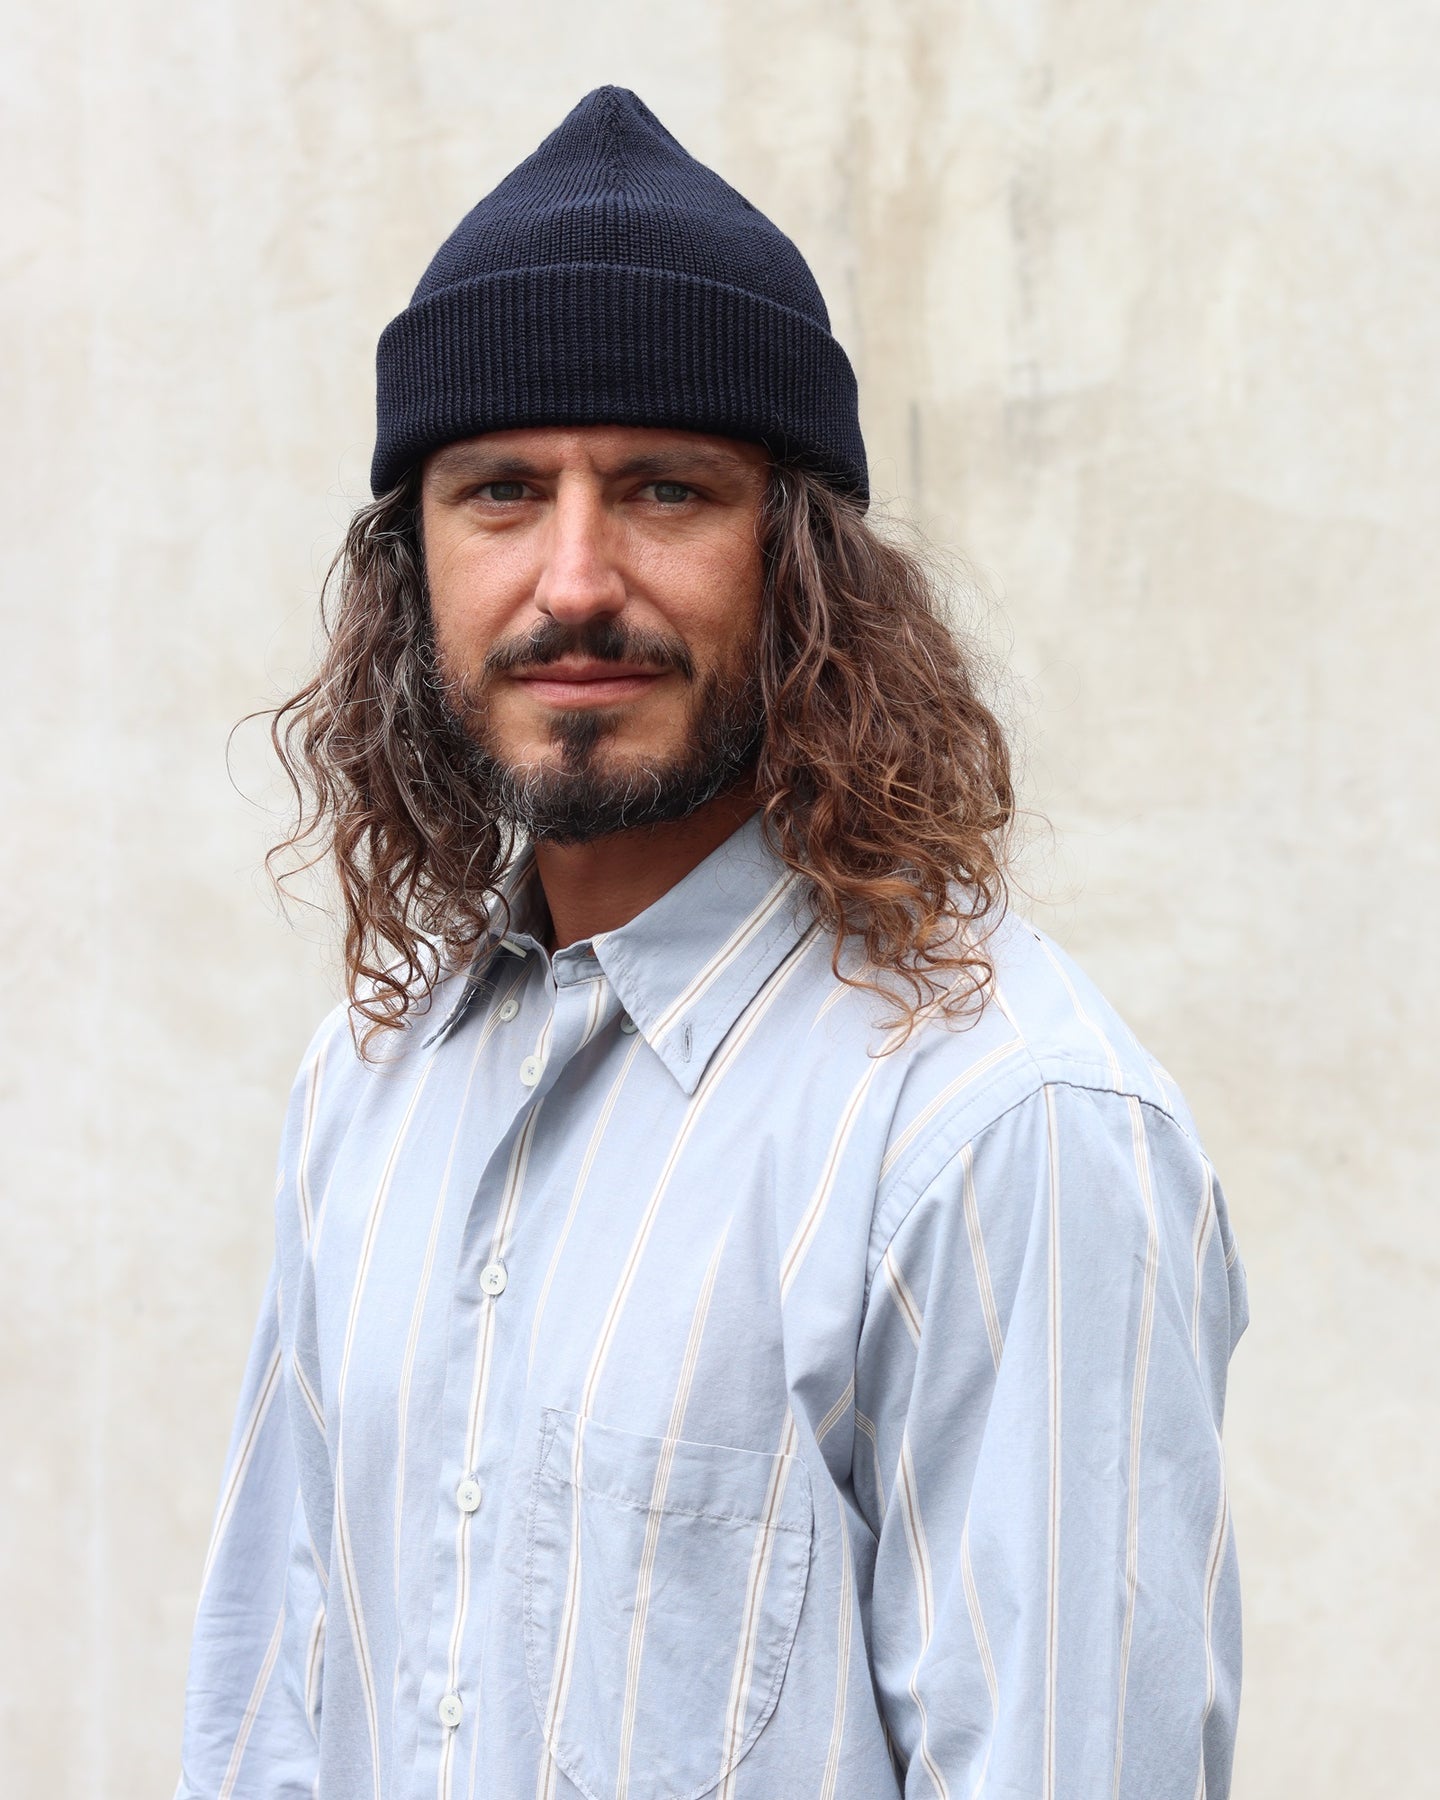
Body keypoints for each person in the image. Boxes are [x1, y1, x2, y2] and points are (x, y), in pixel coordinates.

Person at [175, 86, 1246, 1800]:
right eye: (500, 491)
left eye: (664, 490)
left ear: (803, 568)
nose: (573, 580)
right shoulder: (368, 1084)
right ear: (413, 565)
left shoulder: (1005, 1129)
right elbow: (270, 1724)